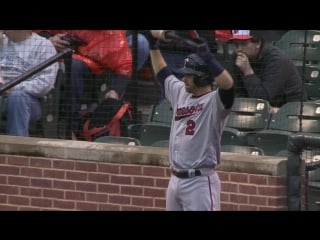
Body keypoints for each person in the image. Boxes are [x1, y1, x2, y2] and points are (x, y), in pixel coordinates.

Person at [146, 30, 234, 211]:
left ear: (202, 77)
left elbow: (228, 85)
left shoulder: (215, 103)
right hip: (175, 179)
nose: (184, 78)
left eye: (189, 75)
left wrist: (208, 58)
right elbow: (162, 73)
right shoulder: (181, 92)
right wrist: (153, 45)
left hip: (199, 183)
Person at [227, 30, 306, 111]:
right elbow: (237, 92)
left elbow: (264, 98)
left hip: (290, 110)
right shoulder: (237, 58)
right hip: (259, 109)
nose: (239, 49)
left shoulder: (276, 60)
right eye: (236, 45)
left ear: (258, 43)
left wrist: (247, 71)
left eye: (244, 44)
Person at [0, 30, 59, 136]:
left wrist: (13, 88)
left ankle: (17, 146)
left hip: (29, 101)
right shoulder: (1, 41)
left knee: (17, 97)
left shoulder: (43, 45)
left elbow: (45, 84)